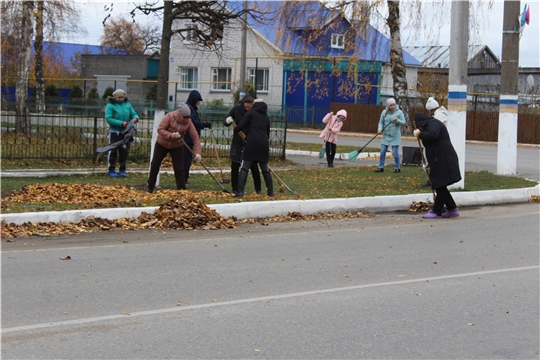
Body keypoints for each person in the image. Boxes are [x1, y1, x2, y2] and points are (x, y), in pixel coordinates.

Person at [413, 113, 461, 219]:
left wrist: (420, 135)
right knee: (440, 184)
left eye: (419, 127)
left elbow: (433, 135)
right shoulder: (429, 125)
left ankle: (437, 211)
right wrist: (427, 162)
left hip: (445, 159)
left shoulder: (433, 123)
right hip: (438, 159)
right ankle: (452, 208)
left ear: (422, 122)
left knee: (440, 184)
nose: (419, 129)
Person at [146, 104, 202, 193]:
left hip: (177, 146)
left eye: (188, 117)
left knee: (179, 168)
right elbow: (160, 129)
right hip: (162, 144)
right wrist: (171, 135)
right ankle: (150, 188)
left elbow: (195, 137)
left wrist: (198, 153)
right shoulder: (169, 117)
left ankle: (182, 190)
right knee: (155, 165)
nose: (186, 119)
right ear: (179, 115)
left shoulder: (188, 122)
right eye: (184, 117)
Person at [233, 98, 273, 198]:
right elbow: (267, 133)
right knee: (265, 168)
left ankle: (240, 192)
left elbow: (242, 125)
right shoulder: (266, 117)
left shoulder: (251, 113)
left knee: (245, 167)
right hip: (263, 144)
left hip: (252, 143)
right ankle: (271, 192)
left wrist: (236, 129)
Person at [223, 95, 262, 194]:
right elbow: (226, 119)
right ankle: (235, 188)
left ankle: (258, 189)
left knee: (253, 166)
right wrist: (228, 121)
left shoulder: (255, 112)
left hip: (250, 141)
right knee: (235, 165)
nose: (248, 109)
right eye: (246, 108)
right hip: (238, 141)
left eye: (249, 108)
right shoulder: (236, 110)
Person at [105, 89, 139, 177]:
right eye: (119, 98)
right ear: (115, 98)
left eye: (122, 97)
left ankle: (122, 170)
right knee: (113, 151)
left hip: (126, 132)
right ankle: (111, 169)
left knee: (124, 151)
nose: (121, 99)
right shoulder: (110, 106)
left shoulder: (127, 104)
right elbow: (109, 119)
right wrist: (120, 123)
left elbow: (134, 114)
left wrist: (135, 118)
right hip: (115, 132)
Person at [184, 90, 212, 184]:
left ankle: (185, 178)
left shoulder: (192, 108)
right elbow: (193, 122)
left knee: (187, 159)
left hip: (189, 138)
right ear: (194, 100)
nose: (198, 103)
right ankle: (183, 179)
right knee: (186, 160)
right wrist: (205, 124)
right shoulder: (189, 109)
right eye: (198, 101)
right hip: (187, 138)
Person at [375, 98, 406, 173]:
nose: (392, 107)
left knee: (395, 152)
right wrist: (380, 129)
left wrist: (397, 120)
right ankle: (381, 167)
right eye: (391, 105)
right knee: (382, 151)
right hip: (386, 135)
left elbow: (404, 122)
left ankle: (397, 168)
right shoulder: (384, 112)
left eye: (394, 105)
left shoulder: (399, 112)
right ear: (388, 106)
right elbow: (381, 122)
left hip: (395, 136)